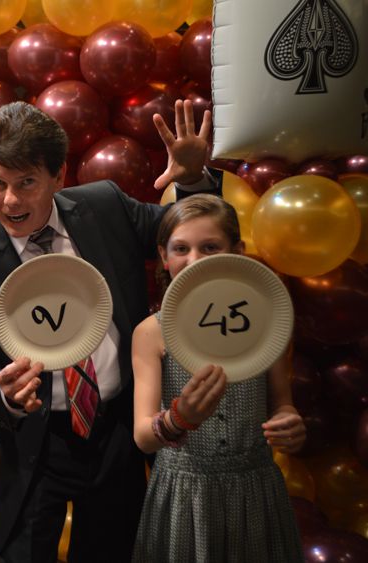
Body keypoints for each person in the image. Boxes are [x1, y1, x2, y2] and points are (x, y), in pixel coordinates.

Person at [0, 99, 220, 562]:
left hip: (116, 433)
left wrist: (191, 182)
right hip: (34, 445)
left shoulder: (105, 206)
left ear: (58, 176)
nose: (10, 200)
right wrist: (0, 390)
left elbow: (192, 241)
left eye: (26, 182)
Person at [132, 194, 304, 561]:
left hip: (254, 489)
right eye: (181, 248)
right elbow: (144, 437)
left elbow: (282, 403)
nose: (194, 260)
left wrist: (288, 421)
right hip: (184, 492)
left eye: (210, 247)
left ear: (237, 251)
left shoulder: (265, 322)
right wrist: (179, 419)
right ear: (164, 255)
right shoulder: (151, 332)